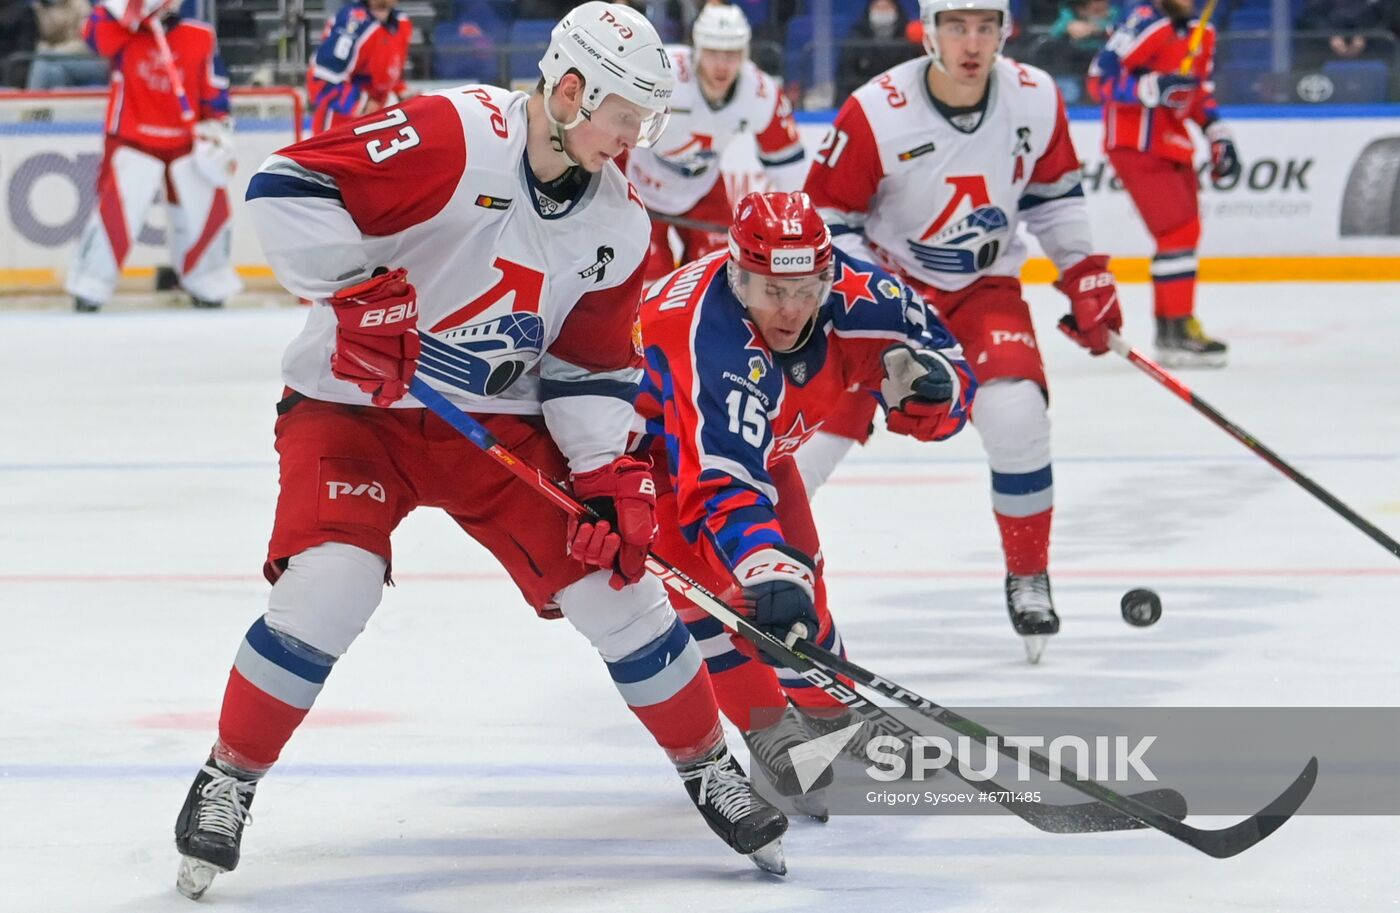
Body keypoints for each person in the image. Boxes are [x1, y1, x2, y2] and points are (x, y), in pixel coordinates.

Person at [170, 3, 789, 900]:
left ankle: (707, 765)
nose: (637, 138)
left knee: (621, 588)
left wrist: (609, 478)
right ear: (571, 90)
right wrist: (354, 296)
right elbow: (283, 189)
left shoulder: (619, 225)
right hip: (357, 409)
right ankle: (228, 776)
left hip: (495, 427)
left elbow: (587, 368)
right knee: (330, 586)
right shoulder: (454, 132)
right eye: (627, 116)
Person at [800, 0, 1123, 663]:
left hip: (983, 289)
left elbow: (1053, 197)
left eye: (985, 27)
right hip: (883, 295)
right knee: (806, 445)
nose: (971, 42)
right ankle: (757, 572)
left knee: (1016, 414)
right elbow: (826, 218)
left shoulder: (1034, 98)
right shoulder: (877, 109)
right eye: (956, 26)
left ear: (1005, 32)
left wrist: (1083, 271)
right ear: (928, 32)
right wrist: (878, 305)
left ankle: (1028, 571)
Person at [636, 190, 975, 796]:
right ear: (737, 278)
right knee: (724, 598)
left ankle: (834, 711)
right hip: (646, 460)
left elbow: (951, 360)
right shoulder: (709, 336)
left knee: (803, 579)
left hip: (760, 451)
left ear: (827, 273)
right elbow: (719, 481)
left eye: (806, 290)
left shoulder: (864, 295)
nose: (791, 310)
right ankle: (766, 727)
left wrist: (937, 393)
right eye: (772, 291)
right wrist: (760, 566)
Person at [1088, 0, 1240, 367]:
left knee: (1185, 233)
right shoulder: (1144, 23)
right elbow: (1098, 81)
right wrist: (1150, 88)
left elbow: (1198, 92)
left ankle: (1174, 328)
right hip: (1134, 142)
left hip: (1174, 143)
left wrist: (1217, 132)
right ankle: (1175, 330)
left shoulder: (1204, 32)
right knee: (1177, 232)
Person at [67, 0, 240, 312]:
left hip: (186, 140)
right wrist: (129, 15)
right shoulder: (121, 30)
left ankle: (208, 283)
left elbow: (214, 87)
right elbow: (94, 37)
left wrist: (218, 128)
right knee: (118, 213)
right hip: (131, 137)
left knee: (198, 212)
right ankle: (90, 286)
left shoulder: (200, 34)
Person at [623, 3, 807, 286]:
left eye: (731, 54)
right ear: (696, 49)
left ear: (744, 54)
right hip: (639, 187)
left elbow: (787, 165)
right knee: (645, 282)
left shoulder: (761, 92)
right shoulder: (663, 71)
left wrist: (794, 226)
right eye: (712, 52)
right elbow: (613, 121)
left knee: (715, 277)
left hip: (702, 189)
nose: (722, 65)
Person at [307, 0, 415, 135]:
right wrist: (363, 104)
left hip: (375, 127)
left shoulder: (402, 23)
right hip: (339, 129)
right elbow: (320, 82)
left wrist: (402, 93)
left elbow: (389, 73)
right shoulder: (352, 22)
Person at [838, 0, 922, 99]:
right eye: (878, 7)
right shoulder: (856, 37)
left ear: (896, 9)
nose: (882, 12)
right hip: (864, 96)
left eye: (886, 8)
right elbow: (846, 75)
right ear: (869, 10)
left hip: (902, 95)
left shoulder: (908, 38)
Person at [27, 0, 109, 89]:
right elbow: (39, 41)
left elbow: (87, 42)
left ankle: (30, 100)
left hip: (89, 59)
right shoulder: (39, 7)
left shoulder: (80, 4)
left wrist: (54, 53)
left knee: (42, 61)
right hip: (54, 59)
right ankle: (53, 101)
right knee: (55, 73)